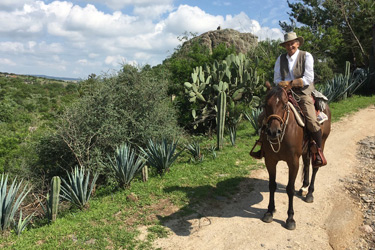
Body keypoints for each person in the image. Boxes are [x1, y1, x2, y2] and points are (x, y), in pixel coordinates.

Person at [250, 31, 327, 167]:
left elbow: (308, 78)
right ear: (285, 46)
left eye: (292, 43)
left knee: (311, 119)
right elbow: (277, 78)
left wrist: (291, 83)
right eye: (287, 44)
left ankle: (318, 152)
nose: (290, 46)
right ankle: (263, 146)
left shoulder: (306, 56)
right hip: (283, 92)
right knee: (263, 117)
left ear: (297, 43)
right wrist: (283, 85)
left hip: (303, 92)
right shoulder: (280, 59)